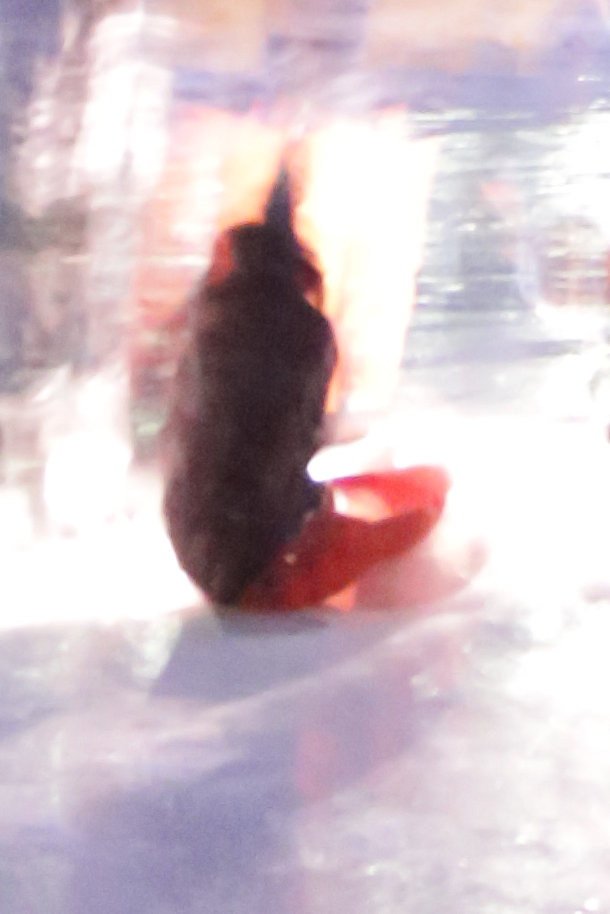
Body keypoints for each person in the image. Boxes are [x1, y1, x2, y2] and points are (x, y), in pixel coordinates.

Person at [160, 164, 447, 614]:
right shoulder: (303, 332)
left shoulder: (211, 324)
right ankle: (282, 566)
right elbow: (293, 435)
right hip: (260, 558)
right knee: (426, 502)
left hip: (203, 542)